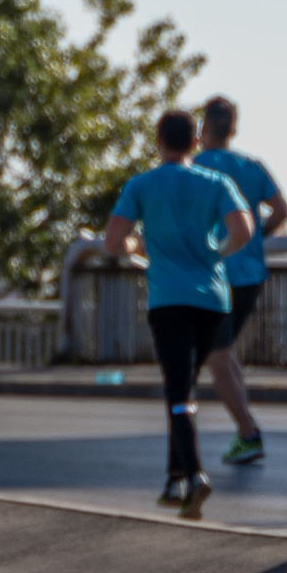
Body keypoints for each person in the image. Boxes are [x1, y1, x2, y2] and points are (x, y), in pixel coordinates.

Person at [104, 108, 256, 519]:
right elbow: (243, 230)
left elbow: (113, 241)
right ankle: (174, 480)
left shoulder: (142, 184)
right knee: (185, 386)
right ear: (194, 142)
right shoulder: (216, 181)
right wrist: (216, 254)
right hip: (212, 298)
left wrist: (138, 252)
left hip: (169, 299)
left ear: (158, 141)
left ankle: (195, 474)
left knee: (177, 391)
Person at [192, 97, 287, 467]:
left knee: (217, 357)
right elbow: (282, 211)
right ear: (233, 129)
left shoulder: (193, 167)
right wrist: (257, 237)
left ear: (203, 128)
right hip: (250, 273)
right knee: (226, 351)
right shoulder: (251, 167)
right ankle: (244, 431)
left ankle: (248, 433)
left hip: (213, 274)